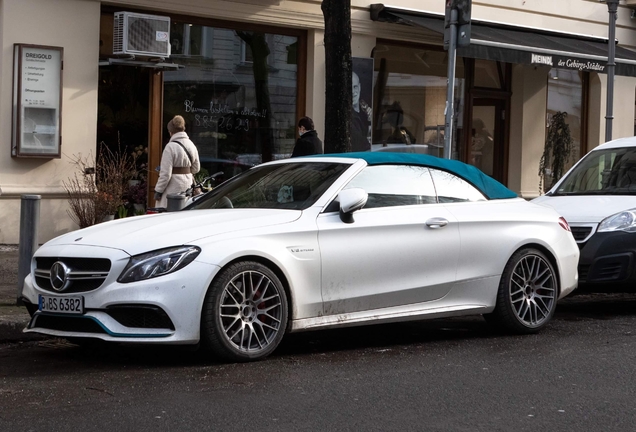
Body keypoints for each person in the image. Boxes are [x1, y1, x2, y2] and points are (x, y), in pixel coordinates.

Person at [154, 115, 201, 208]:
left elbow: (165, 174)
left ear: (171, 132)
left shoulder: (170, 147)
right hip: (188, 186)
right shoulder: (191, 145)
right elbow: (196, 169)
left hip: (172, 189)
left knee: (167, 214)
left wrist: (158, 191)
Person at [351, 71, 372, 152]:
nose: (353, 92)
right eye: (350, 88)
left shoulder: (366, 109)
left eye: (355, 87)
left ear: (360, 87)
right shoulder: (348, 118)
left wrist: (370, 122)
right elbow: (364, 147)